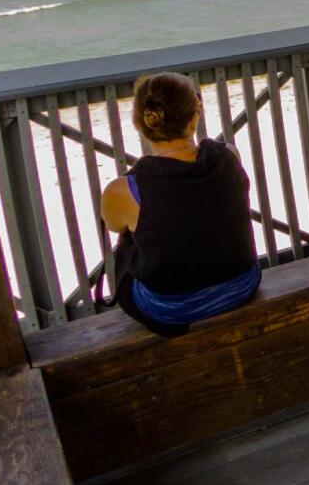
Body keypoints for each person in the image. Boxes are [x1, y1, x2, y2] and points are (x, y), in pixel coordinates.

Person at [98, 72, 261, 337]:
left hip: (171, 309)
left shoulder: (125, 189)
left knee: (128, 242)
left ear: (138, 122)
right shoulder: (228, 155)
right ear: (196, 113)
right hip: (242, 285)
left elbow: (114, 225)